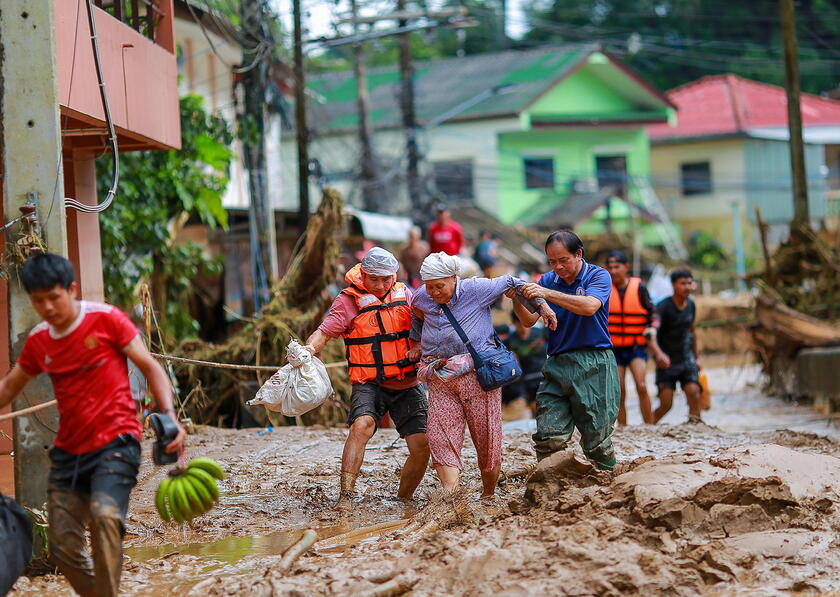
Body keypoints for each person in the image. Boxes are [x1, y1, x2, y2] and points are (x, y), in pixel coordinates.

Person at [0, 253, 186, 597]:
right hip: (68, 453)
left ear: (71, 289)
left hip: (116, 444)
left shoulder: (107, 320)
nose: (48, 307)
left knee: (105, 517)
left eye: (54, 297)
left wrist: (170, 416)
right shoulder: (39, 341)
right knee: (62, 548)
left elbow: (150, 366)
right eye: (39, 301)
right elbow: (10, 387)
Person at [409, 252, 556, 499]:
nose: (434, 292)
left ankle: (488, 494)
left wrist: (543, 306)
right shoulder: (421, 297)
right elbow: (416, 312)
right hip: (440, 378)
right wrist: (416, 342)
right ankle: (450, 496)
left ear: (454, 278)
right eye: (429, 287)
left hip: (478, 377)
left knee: (486, 440)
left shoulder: (477, 289)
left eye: (439, 286)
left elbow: (513, 281)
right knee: (439, 436)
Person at [304, 247, 430, 510]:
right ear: (363, 273)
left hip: (407, 381)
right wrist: (307, 350)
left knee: (422, 445)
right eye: (375, 279)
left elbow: (426, 325)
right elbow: (323, 333)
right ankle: (346, 497)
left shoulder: (404, 293)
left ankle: (403, 499)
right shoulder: (347, 301)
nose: (382, 285)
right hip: (369, 383)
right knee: (361, 426)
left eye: (387, 279)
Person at [517, 230, 620, 470]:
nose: (558, 267)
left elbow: (590, 306)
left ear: (578, 254)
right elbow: (528, 321)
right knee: (548, 435)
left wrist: (546, 293)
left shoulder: (598, 275)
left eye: (563, 260)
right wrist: (516, 298)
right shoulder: (547, 279)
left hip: (594, 362)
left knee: (598, 441)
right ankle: (550, 490)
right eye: (552, 262)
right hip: (557, 362)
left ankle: (608, 486)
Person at [605, 250, 656, 425]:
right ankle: (624, 427)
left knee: (641, 386)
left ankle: (649, 425)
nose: (613, 271)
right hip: (614, 348)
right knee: (619, 390)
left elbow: (653, 314)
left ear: (626, 267)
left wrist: (653, 327)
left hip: (636, 346)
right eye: (610, 267)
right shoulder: (604, 290)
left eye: (617, 266)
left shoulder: (639, 288)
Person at [649, 268, 702, 423]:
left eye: (689, 283)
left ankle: (697, 429)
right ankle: (648, 427)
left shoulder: (691, 305)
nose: (687, 287)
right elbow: (651, 335)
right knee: (666, 404)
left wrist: (697, 358)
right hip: (667, 361)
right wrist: (658, 354)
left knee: (694, 393)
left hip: (686, 358)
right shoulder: (662, 308)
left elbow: (692, 331)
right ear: (673, 285)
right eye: (683, 283)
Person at [502, 310, 547, 418]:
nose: (523, 328)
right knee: (534, 407)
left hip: (545, 375)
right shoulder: (510, 341)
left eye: (524, 324)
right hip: (526, 379)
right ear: (514, 324)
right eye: (519, 325)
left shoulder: (541, 333)